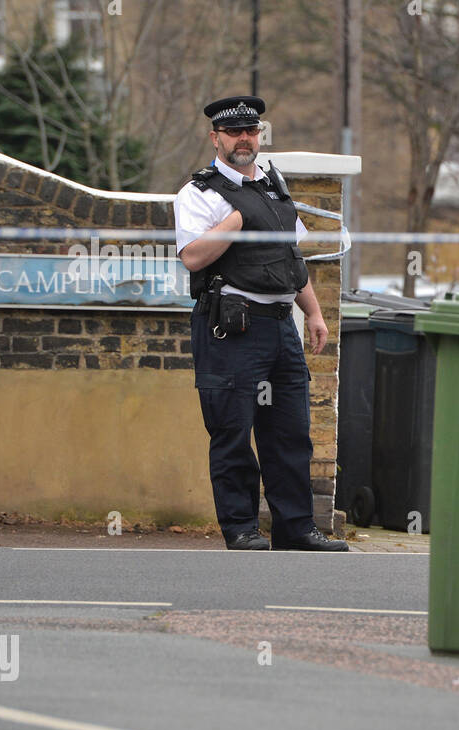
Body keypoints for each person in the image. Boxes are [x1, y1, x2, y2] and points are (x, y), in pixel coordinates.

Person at [174, 95, 347, 552]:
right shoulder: (199, 193)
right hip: (232, 326)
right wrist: (238, 216)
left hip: (279, 324)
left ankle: (296, 528)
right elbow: (192, 257)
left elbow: (291, 257)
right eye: (234, 133)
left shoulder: (274, 187)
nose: (244, 139)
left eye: (251, 131)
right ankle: (242, 528)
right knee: (233, 431)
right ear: (217, 139)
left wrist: (312, 311)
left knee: (290, 433)